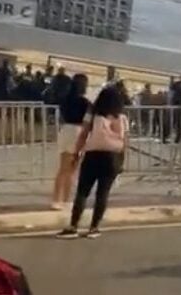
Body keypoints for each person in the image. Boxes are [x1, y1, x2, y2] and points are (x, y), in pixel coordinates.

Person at [56, 87, 128, 239]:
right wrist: (122, 160)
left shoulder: (92, 113)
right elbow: (125, 141)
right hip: (113, 156)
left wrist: (77, 153)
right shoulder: (122, 117)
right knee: (102, 193)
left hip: (93, 154)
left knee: (83, 191)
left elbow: (83, 134)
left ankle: (73, 226)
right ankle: (94, 228)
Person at [51, 74, 91, 210]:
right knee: (72, 169)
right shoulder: (85, 102)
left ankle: (56, 199)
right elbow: (88, 119)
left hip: (65, 130)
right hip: (78, 132)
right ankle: (67, 200)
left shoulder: (65, 100)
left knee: (62, 168)